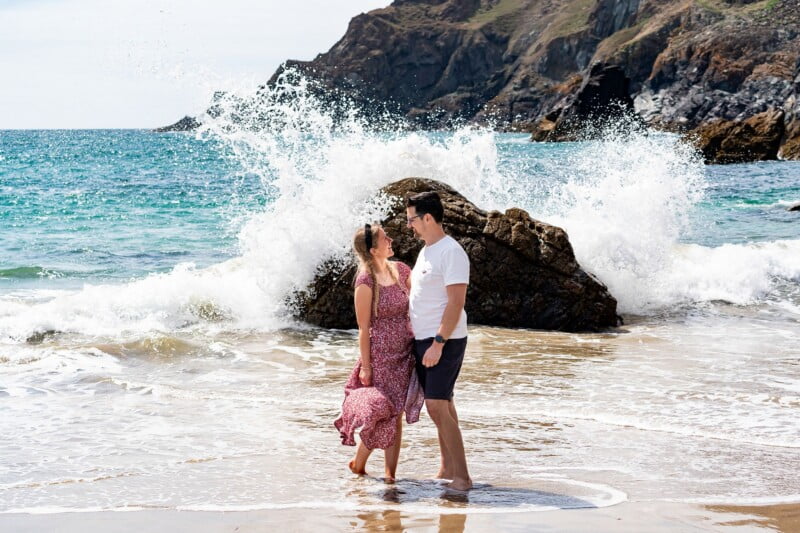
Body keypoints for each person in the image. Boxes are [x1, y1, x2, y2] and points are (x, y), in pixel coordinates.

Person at [334, 223, 423, 482]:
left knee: (396, 414)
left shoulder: (402, 270)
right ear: (374, 250)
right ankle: (370, 467)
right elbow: (363, 328)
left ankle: (386, 474)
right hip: (381, 357)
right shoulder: (365, 281)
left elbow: (421, 299)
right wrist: (366, 366)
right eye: (386, 238)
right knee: (385, 413)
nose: (391, 240)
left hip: (405, 353)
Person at [405, 191, 473, 491]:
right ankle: (447, 467)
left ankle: (463, 478)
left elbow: (456, 302)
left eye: (412, 219)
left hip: (444, 340)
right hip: (424, 339)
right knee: (444, 403)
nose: (410, 226)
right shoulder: (426, 251)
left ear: (428, 218)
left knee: (435, 405)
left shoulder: (451, 251)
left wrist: (439, 342)